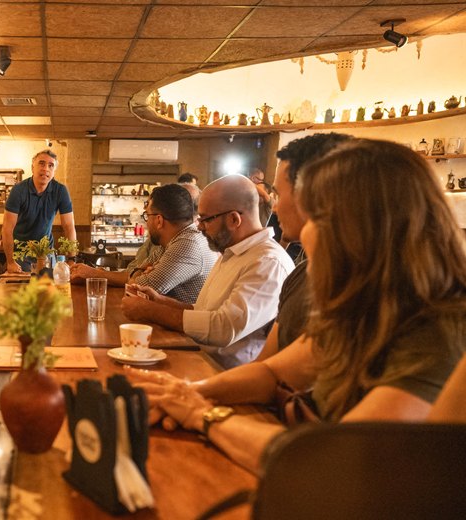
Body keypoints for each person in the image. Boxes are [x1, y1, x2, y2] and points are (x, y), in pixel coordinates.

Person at [128, 139, 466, 473]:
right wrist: (186, 391)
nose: (307, 234)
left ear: (360, 228)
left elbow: (344, 458)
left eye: (316, 218)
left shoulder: (438, 328)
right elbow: (271, 371)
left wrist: (200, 413)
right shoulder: (361, 306)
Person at [122, 174, 294, 368]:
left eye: (205, 220)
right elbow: (205, 312)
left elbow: (224, 328)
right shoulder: (231, 252)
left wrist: (151, 311)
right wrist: (161, 301)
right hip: (198, 357)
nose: (199, 227)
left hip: (223, 374)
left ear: (234, 219)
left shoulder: (267, 262)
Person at [255, 133, 353, 361]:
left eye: (278, 194)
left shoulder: (384, 296)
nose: (275, 208)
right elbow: (269, 369)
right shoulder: (303, 273)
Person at [71, 184, 216, 305]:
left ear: (159, 220)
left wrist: (94, 273)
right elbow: (134, 274)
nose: (145, 222)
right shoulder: (170, 241)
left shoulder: (188, 243)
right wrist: (94, 273)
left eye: (147, 215)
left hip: (183, 333)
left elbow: (137, 287)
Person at [2, 149, 76, 273]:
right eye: (41, 164)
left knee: (49, 290)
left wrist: (72, 258)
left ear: (54, 171)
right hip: (21, 255)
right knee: (22, 291)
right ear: (32, 167)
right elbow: (7, 228)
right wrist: (10, 262)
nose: (46, 169)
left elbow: (69, 226)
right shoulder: (18, 190)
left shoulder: (61, 190)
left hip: (47, 253)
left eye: (50, 166)